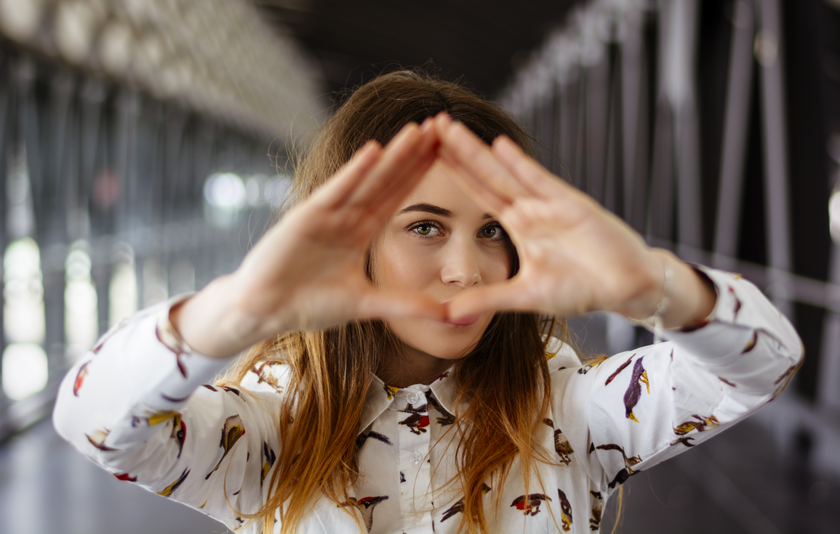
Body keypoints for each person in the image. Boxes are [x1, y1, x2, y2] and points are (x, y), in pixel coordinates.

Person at [54, 71, 802, 534]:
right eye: (425, 227)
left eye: (494, 231)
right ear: (355, 240)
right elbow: (93, 421)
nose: (466, 270)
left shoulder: (574, 414)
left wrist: (652, 286)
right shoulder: (270, 430)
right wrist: (238, 311)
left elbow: (761, 365)